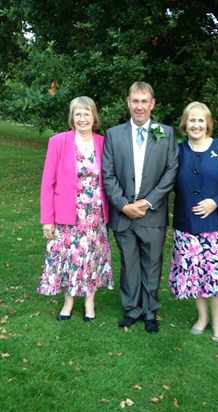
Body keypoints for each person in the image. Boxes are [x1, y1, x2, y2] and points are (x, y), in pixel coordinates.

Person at [103, 81, 179, 333]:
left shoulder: (166, 133)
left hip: (152, 213)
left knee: (152, 263)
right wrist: (124, 205)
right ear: (128, 102)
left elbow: (171, 172)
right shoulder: (113, 135)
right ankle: (131, 308)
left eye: (144, 101)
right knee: (129, 263)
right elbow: (108, 174)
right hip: (124, 214)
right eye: (135, 101)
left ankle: (149, 311)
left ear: (152, 104)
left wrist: (146, 203)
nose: (139, 106)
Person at [169, 101, 218, 344]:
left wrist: (217, 202)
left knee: (217, 276)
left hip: (216, 226)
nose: (196, 124)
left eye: (201, 120)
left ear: (208, 124)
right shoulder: (178, 151)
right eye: (192, 120)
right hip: (186, 225)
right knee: (194, 274)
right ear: (185, 124)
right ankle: (201, 318)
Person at [38, 96, 113, 322]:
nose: (82, 119)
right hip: (67, 214)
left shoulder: (103, 142)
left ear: (94, 117)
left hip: (95, 216)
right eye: (78, 114)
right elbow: (47, 183)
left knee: (91, 257)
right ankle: (68, 301)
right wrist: (47, 219)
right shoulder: (58, 141)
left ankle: (90, 301)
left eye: (87, 114)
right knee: (68, 258)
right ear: (72, 118)